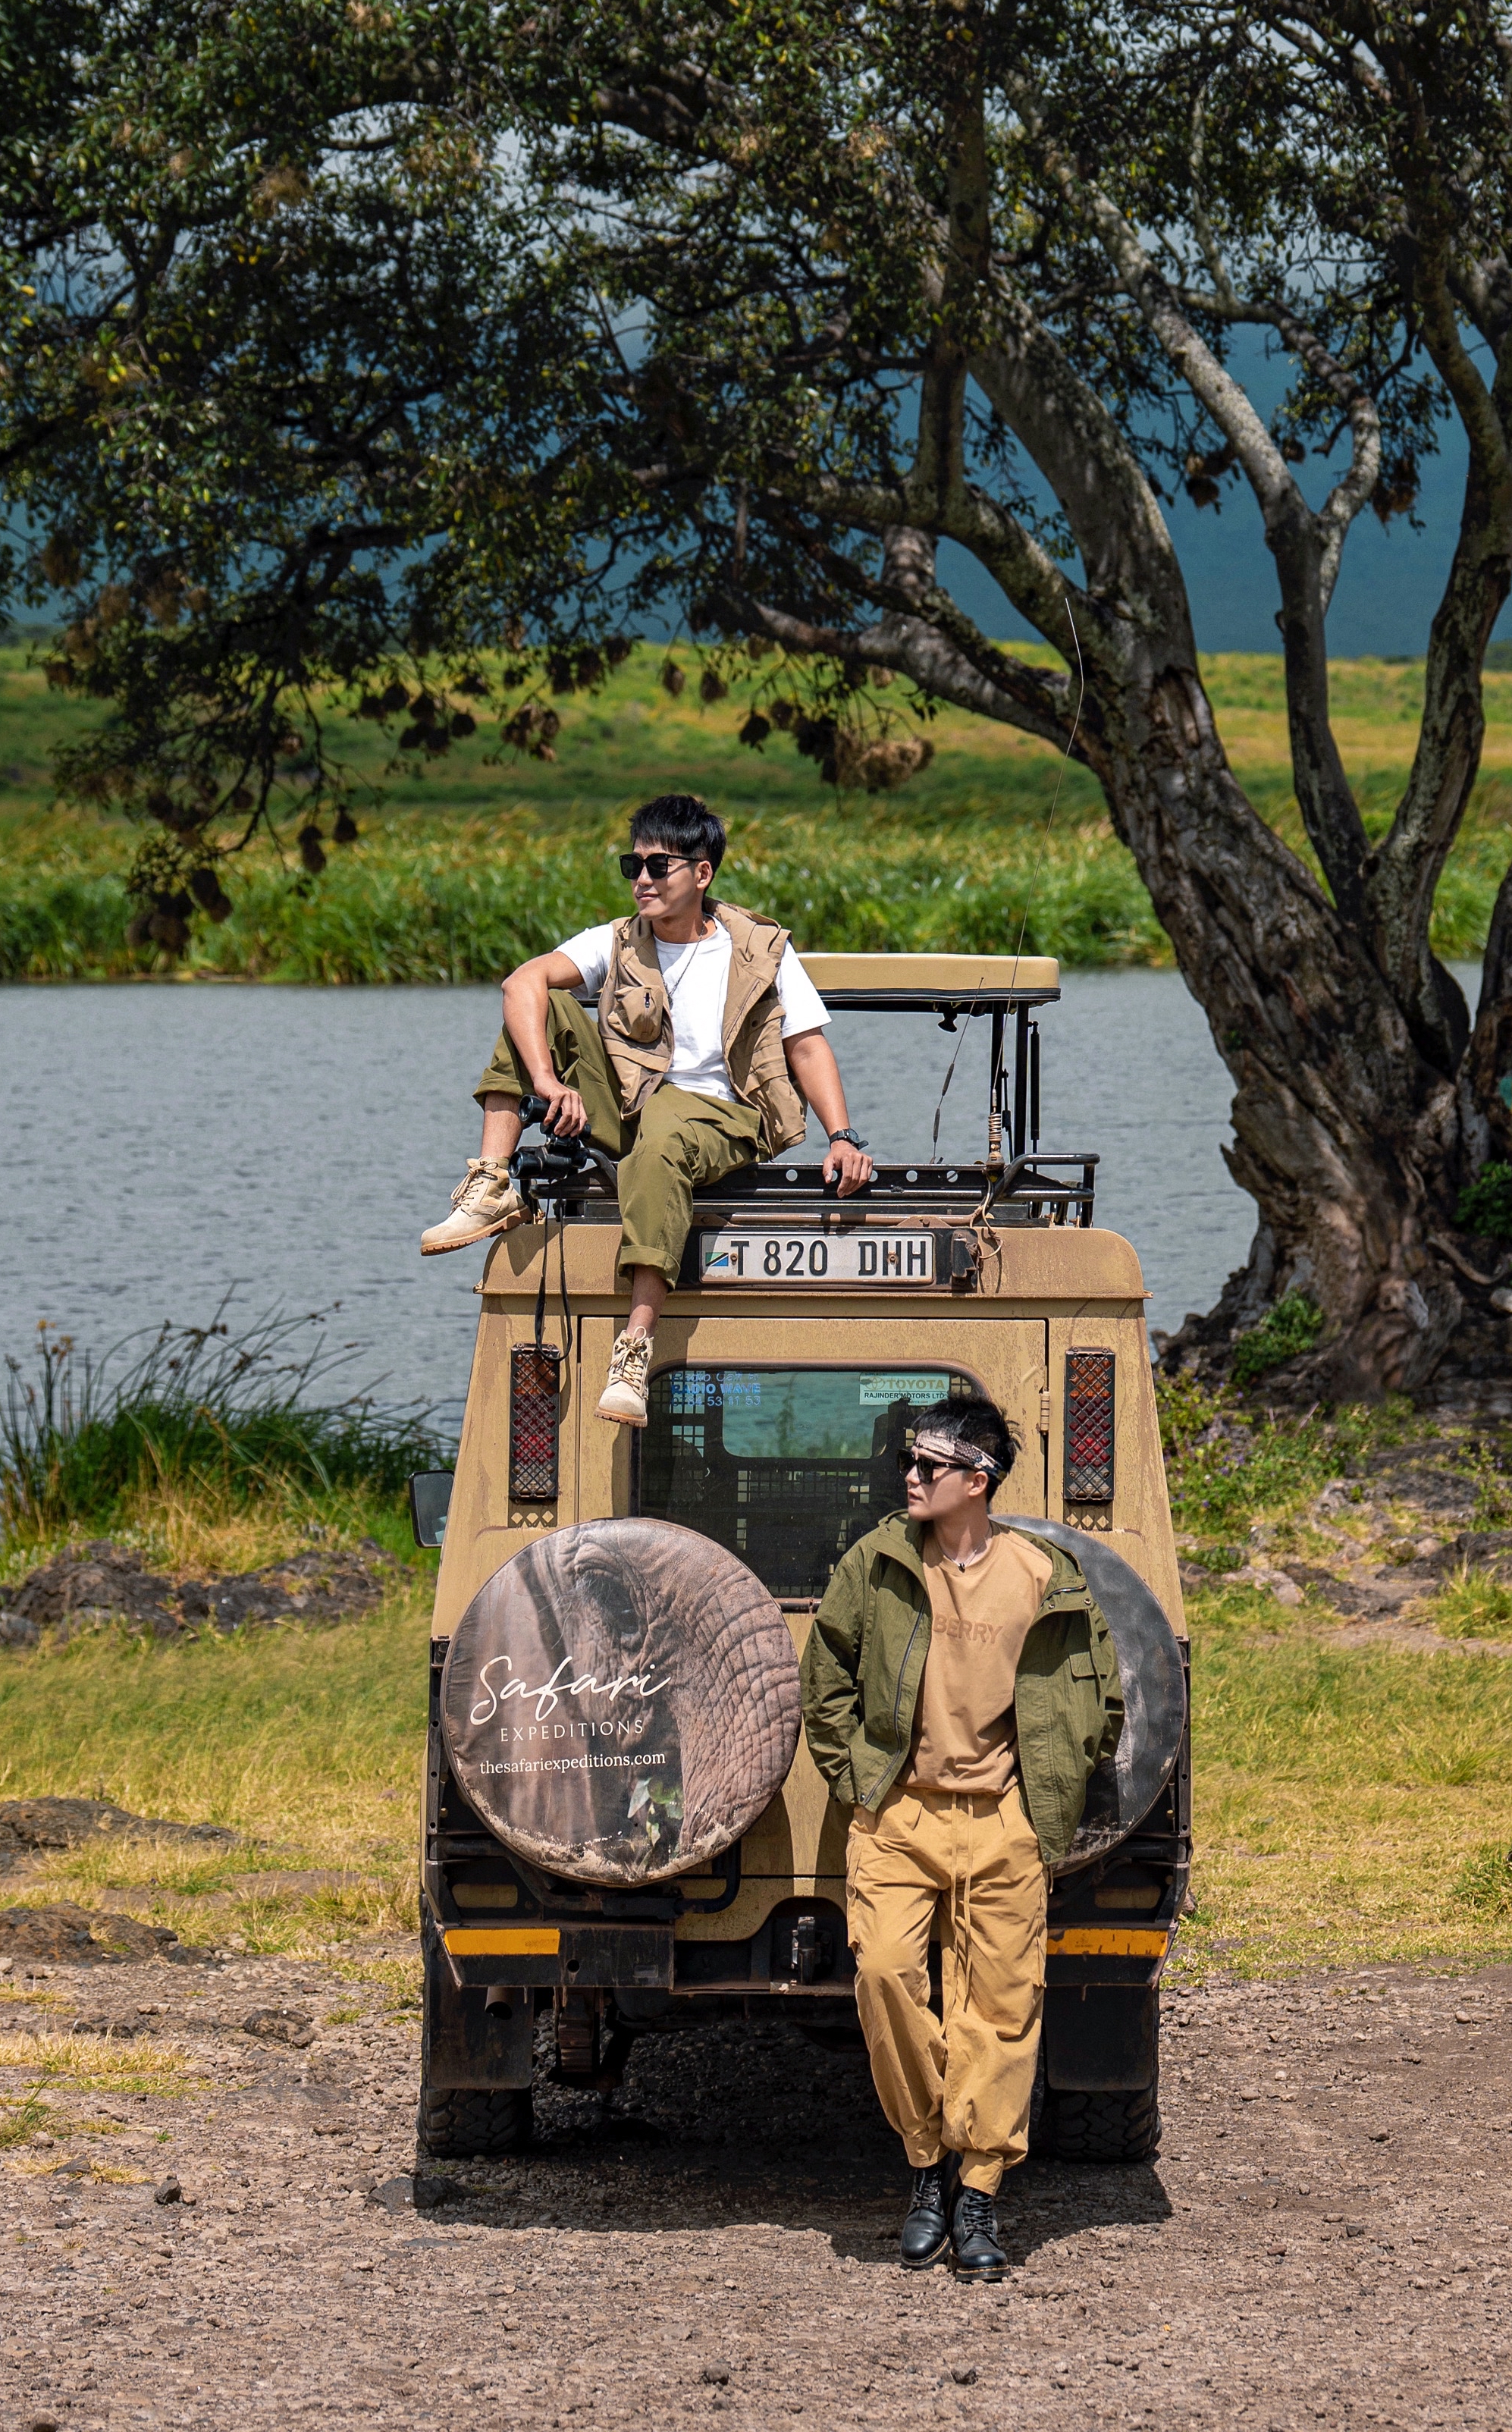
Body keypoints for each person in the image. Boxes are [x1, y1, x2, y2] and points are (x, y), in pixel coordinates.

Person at [419, 791, 875, 1425]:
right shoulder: (618, 942)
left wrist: (843, 1136)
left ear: (701, 872)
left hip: (728, 1114)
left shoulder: (760, 948)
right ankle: (491, 1183)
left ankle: (633, 1347)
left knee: (663, 1132)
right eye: (631, 866)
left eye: (658, 867)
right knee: (538, 1002)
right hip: (634, 1106)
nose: (641, 881)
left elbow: (805, 1044)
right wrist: (550, 1085)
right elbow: (520, 981)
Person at [800, 1395, 1123, 2280]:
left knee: (1001, 2007)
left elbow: (1101, 1696)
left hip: (1004, 1820)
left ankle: (975, 2192)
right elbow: (824, 1674)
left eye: (929, 1466)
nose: (909, 1476)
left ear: (976, 1481)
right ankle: (924, 2160)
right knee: (883, 1976)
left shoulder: (1042, 1574)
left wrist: (1045, 1793)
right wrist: (859, 1782)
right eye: (909, 1462)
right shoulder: (879, 1560)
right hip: (898, 1815)